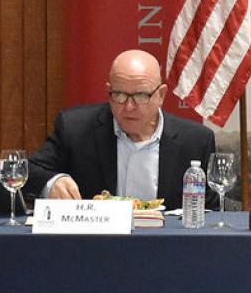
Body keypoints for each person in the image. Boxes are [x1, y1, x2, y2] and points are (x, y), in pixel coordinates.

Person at [27, 49, 216, 208]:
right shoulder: (76, 128)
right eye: (119, 95)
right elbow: (28, 172)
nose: (129, 107)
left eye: (141, 96)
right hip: (96, 245)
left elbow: (212, 211)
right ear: (109, 92)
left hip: (167, 247)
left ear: (161, 95)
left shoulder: (195, 141)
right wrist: (52, 182)